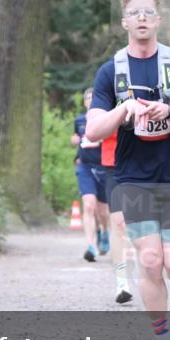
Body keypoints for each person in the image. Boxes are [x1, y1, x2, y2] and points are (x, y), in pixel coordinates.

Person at [86, 0, 170, 340]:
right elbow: (93, 131)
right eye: (134, 13)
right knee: (151, 262)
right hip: (133, 180)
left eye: (147, 12)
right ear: (124, 22)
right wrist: (124, 111)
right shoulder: (111, 71)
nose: (141, 18)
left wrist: (169, 112)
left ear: (158, 20)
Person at [72, 88, 110, 262]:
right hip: (85, 166)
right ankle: (91, 246)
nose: (90, 100)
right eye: (87, 98)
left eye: (93, 97)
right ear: (84, 102)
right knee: (88, 205)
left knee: (103, 210)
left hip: (103, 166)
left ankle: (104, 232)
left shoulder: (107, 118)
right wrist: (74, 140)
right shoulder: (79, 120)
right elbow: (77, 137)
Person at [100, 129, 133, 304]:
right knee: (119, 223)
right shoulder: (104, 100)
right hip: (114, 163)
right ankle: (122, 283)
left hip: (147, 162)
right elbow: (94, 131)